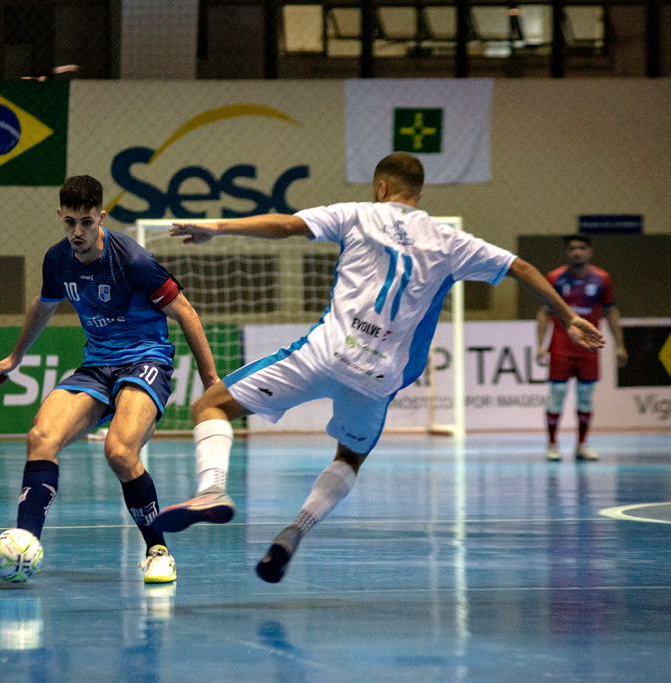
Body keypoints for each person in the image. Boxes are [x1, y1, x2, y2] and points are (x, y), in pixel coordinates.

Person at [151, 152, 605, 583]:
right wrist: (567, 317)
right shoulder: (450, 240)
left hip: (325, 354)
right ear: (419, 195)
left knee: (211, 405)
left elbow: (287, 225)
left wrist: (216, 227)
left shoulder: (357, 213)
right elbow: (521, 267)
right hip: (378, 377)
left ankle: (212, 488)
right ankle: (296, 531)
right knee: (350, 457)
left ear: (381, 187)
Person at [0, 175, 219, 583]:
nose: (77, 232)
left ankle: (158, 551)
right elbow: (44, 305)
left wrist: (212, 382)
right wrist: (15, 356)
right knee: (41, 437)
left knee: (119, 452)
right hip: (98, 364)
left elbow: (185, 312)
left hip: (145, 359)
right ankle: (23, 544)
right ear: (60, 217)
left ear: (101, 216)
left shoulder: (132, 260)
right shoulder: (57, 260)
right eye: (69, 223)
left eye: (85, 222)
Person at [536, 234, 627, 462]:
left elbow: (611, 312)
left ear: (590, 251)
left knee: (586, 397)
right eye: (572, 248)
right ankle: (552, 444)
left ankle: (582, 445)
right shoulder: (555, 278)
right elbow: (544, 312)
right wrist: (540, 346)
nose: (577, 252)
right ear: (567, 253)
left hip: (589, 350)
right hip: (560, 348)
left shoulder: (602, 279)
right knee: (556, 395)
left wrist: (620, 345)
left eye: (582, 248)